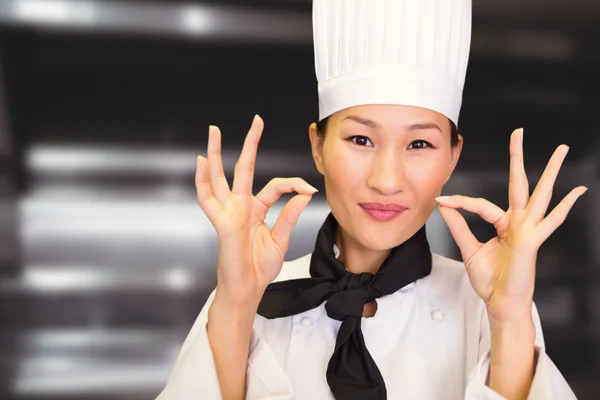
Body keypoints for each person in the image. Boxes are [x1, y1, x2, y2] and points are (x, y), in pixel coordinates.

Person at [157, 1, 584, 399]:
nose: (386, 180)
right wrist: (236, 303)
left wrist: (510, 319)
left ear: (453, 156)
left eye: (419, 144)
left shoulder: (489, 304)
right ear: (317, 147)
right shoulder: (249, 292)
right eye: (361, 139)